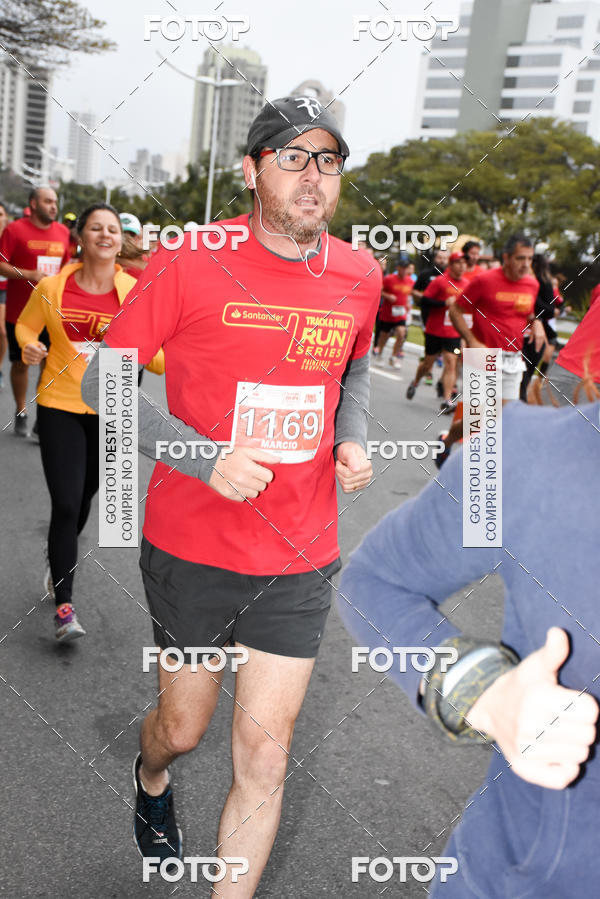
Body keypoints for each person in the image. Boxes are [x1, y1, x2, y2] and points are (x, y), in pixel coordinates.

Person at [81, 96, 380, 893]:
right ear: (251, 171)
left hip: (300, 549)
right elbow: (98, 377)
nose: (313, 177)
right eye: (293, 157)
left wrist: (350, 433)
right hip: (194, 543)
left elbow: (350, 371)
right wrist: (200, 455)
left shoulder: (360, 272)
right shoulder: (190, 257)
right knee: (183, 728)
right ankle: (150, 779)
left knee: (267, 751)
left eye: (328, 161)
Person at [338, 389, 600, 897]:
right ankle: (450, 442)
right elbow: (375, 581)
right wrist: (487, 692)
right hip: (511, 876)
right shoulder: (530, 457)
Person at [15, 203, 164, 641]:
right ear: (79, 236)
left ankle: (57, 560)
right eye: (96, 227)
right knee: (64, 502)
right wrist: (29, 347)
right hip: (61, 404)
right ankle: (64, 607)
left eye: (113, 229)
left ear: (121, 241)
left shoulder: (134, 291)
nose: (105, 234)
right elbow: (26, 327)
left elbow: (154, 357)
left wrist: (152, 353)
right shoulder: (53, 286)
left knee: (83, 499)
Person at [435, 235, 544, 466]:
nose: (526, 264)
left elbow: (524, 311)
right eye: (520, 258)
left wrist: (536, 321)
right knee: (475, 419)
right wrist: (471, 339)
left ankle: (486, 467)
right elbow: (456, 310)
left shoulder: (531, 284)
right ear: (506, 257)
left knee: (504, 418)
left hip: (513, 359)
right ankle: (447, 440)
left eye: (530, 259)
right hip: (483, 355)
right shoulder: (485, 281)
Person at [0, 187, 70, 436]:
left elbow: (66, 270)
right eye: (47, 201)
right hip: (20, 314)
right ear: (34, 203)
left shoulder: (63, 233)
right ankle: (21, 410)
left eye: (55, 202)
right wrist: (28, 274)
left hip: (51, 314)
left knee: (49, 366)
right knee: (21, 364)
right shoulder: (14, 230)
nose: (53, 206)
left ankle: (44, 415)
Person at [406, 251, 469, 411]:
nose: (462, 266)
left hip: (453, 332)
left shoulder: (467, 285)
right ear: (451, 264)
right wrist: (443, 303)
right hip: (435, 330)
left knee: (450, 362)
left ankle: (447, 400)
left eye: (464, 263)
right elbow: (425, 301)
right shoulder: (440, 281)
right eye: (458, 263)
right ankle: (415, 381)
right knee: (428, 364)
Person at [520, 254, 558, 401]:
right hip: (514, 332)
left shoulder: (543, 283)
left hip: (537, 333)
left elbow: (550, 309)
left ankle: (521, 400)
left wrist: (531, 299)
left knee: (527, 370)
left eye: (529, 261)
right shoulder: (518, 282)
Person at [373, 251, 413, 368]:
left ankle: (394, 356)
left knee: (401, 333)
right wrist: (387, 296)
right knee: (384, 336)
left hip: (401, 314)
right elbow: (379, 290)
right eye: (403, 268)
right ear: (398, 268)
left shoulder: (410, 281)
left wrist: (408, 303)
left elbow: (409, 294)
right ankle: (380, 353)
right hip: (387, 313)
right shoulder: (389, 279)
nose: (405, 270)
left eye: (407, 268)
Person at [0, 201, 10, 389]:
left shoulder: (11, 237)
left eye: (1, 214)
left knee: (2, 330)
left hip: (4, 288)